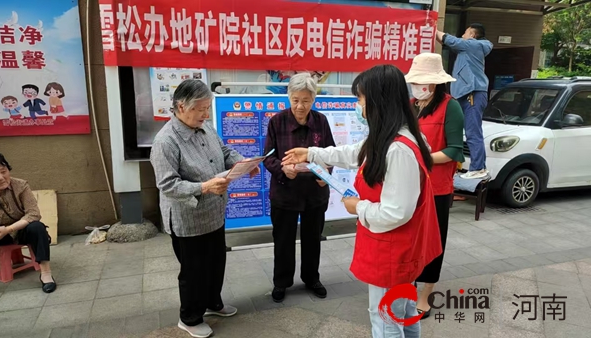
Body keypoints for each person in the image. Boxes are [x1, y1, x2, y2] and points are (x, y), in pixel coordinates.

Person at [282, 65, 442, 338]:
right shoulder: (393, 136)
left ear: (378, 102)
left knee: (385, 320)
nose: (359, 106)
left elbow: (397, 212)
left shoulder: (398, 148)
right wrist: (310, 153)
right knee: (402, 312)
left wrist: (358, 207)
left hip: (394, 249)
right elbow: (352, 152)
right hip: (402, 247)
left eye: (361, 99)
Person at [150, 79, 258, 338]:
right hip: (189, 219)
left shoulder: (205, 127)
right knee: (193, 271)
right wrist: (204, 187)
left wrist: (243, 162)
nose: (205, 114)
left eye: (207, 108)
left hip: (214, 213)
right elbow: (167, 184)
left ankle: (213, 303)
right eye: (200, 109)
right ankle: (189, 317)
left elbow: (223, 150)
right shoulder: (166, 141)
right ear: (180, 107)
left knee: (215, 262)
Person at [263, 73, 336, 303]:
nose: (300, 106)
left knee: (313, 239)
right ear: (289, 98)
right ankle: (281, 282)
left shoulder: (321, 122)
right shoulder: (277, 122)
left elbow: (331, 153)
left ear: (313, 99)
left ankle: (311, 278)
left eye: (305, 100)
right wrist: (283, 170)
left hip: (314, 192)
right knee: (283, 240)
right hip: (285, 193)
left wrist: (328, 175)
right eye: (295, 100)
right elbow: (267, 157)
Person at [405, 53, 465, 319]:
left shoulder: (450, 107)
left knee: (433, 241)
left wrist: (424, 158)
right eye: (415, 81)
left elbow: (454, 150)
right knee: (411, 239)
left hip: (437, 188)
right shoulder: (410, 105)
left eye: (422, 81)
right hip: (410, 185)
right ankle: (408, 284)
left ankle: (426, 293)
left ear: (436, 83)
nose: (417, 86)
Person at [0, 152, 56, 293]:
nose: (0, 178)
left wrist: (8, 229)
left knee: (37, 227)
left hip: (20, 230)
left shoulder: (20, 185)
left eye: (3, 171)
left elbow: (34, 213)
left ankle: (46, 274)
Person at [437, 23, 493, 179]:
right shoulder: (470, 48)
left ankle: (478, 168)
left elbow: (452, 41)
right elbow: (448, 43)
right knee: (456, 131)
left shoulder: (473, 46)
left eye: (465, 32)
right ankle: (462, 167)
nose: (462, 35)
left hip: (472, 93)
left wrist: (433, 29)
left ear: (472, 35)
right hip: (466, 94)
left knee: (473, 132)